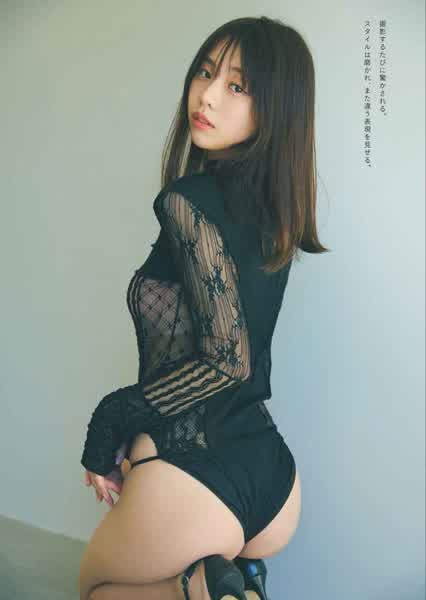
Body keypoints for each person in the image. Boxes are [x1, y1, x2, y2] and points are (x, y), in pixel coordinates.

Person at [79, 14, 329, 600]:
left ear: (276, 109)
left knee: (97, 591)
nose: (207, 95)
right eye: (206, 72)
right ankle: (230, 582)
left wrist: (109, 422)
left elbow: (225, 362)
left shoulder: (188, 202)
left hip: (195, 469)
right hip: (271, 478)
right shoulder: (278, 214)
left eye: (237, 86)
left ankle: (198, 587)